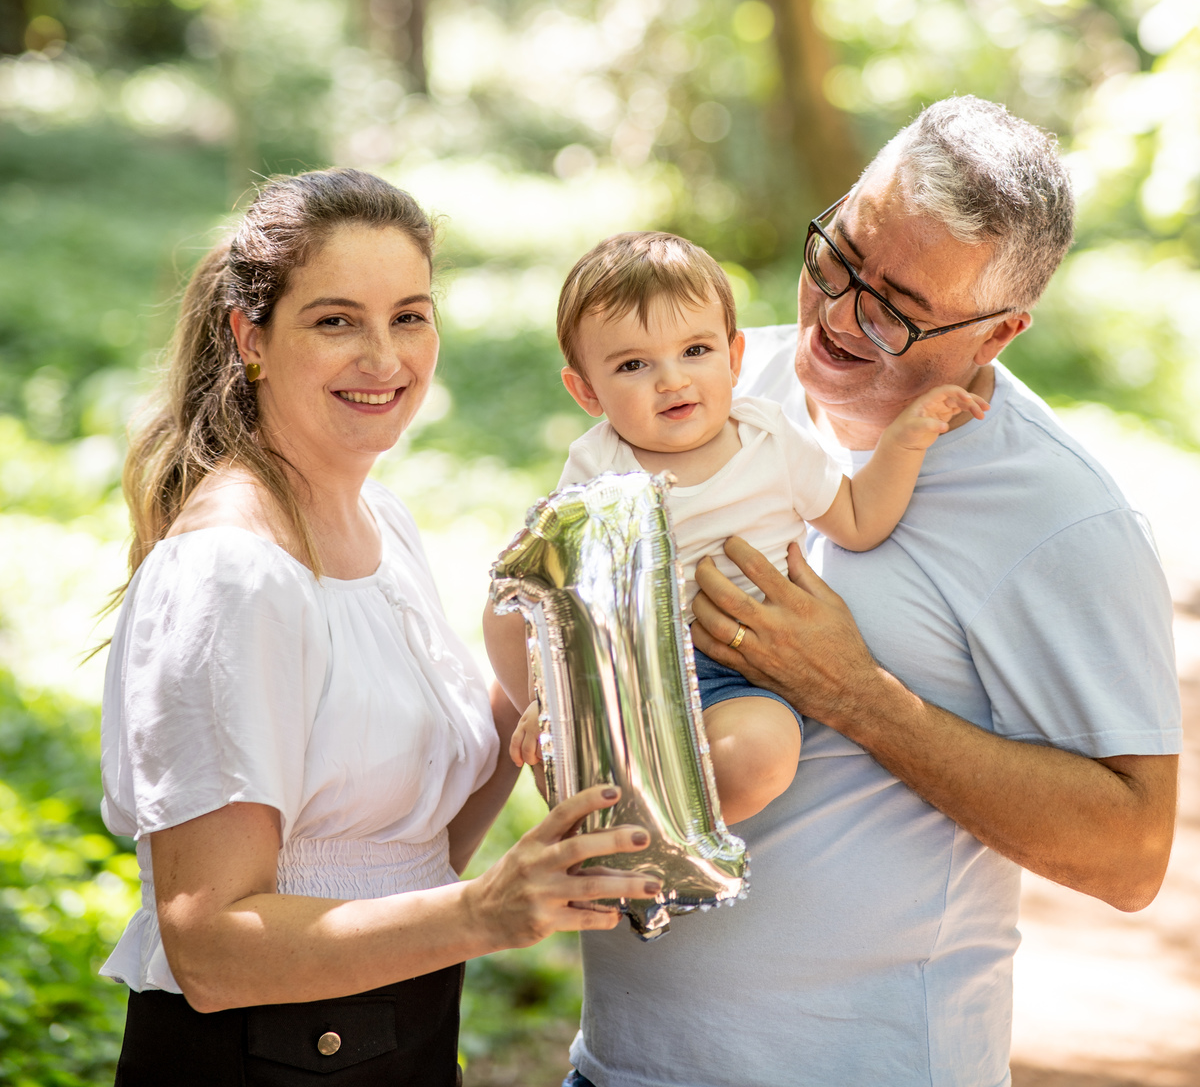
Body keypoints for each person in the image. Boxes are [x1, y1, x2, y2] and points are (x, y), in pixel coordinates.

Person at [563, 97, 1182, 1087]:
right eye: (840, 258)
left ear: (1000, 333)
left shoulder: (1063, 519)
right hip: (615, 1066)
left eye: (895, 305)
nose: (840, 315)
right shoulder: (713, 383)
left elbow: (1131, 852)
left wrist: (856, 695)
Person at [98, 168, 659, 1087]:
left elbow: (399, 844)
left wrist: (555, 676)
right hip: (260, 1061)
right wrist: (484, 913)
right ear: (251, 338)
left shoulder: (381, 521)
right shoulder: (230, 573)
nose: (387, 358)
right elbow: (210, 946)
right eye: (335, 321)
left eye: (409, 315)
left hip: (401, 1030)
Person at [485, 231, 985, 823]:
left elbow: (857, 521)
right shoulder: (596, 465)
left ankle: (657, 828)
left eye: (694, 351)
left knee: (762, 757)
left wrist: (903, 443)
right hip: (626, 668)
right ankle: (583, 761)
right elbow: (569, 591)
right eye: (634, 365)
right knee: (504, 611)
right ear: (587, 391)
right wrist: (554, 688)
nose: (671, 380)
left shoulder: (769, 437)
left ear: (735, 357)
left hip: (743, 675)